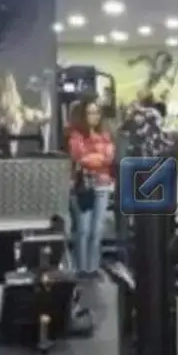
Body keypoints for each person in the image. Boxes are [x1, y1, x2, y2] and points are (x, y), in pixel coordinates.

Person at [68, 97, 116, 280]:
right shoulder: (75, 136)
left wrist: (93, 157)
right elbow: (79, 157)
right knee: (83, 230)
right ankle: (81, 269)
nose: (94, 116)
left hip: (102, 186)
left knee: (97, 231)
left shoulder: (106, 135)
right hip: (83, 187)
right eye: (90, 113)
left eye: (96, 113)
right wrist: (97, 157)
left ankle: (93, 268)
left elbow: (108, 157)